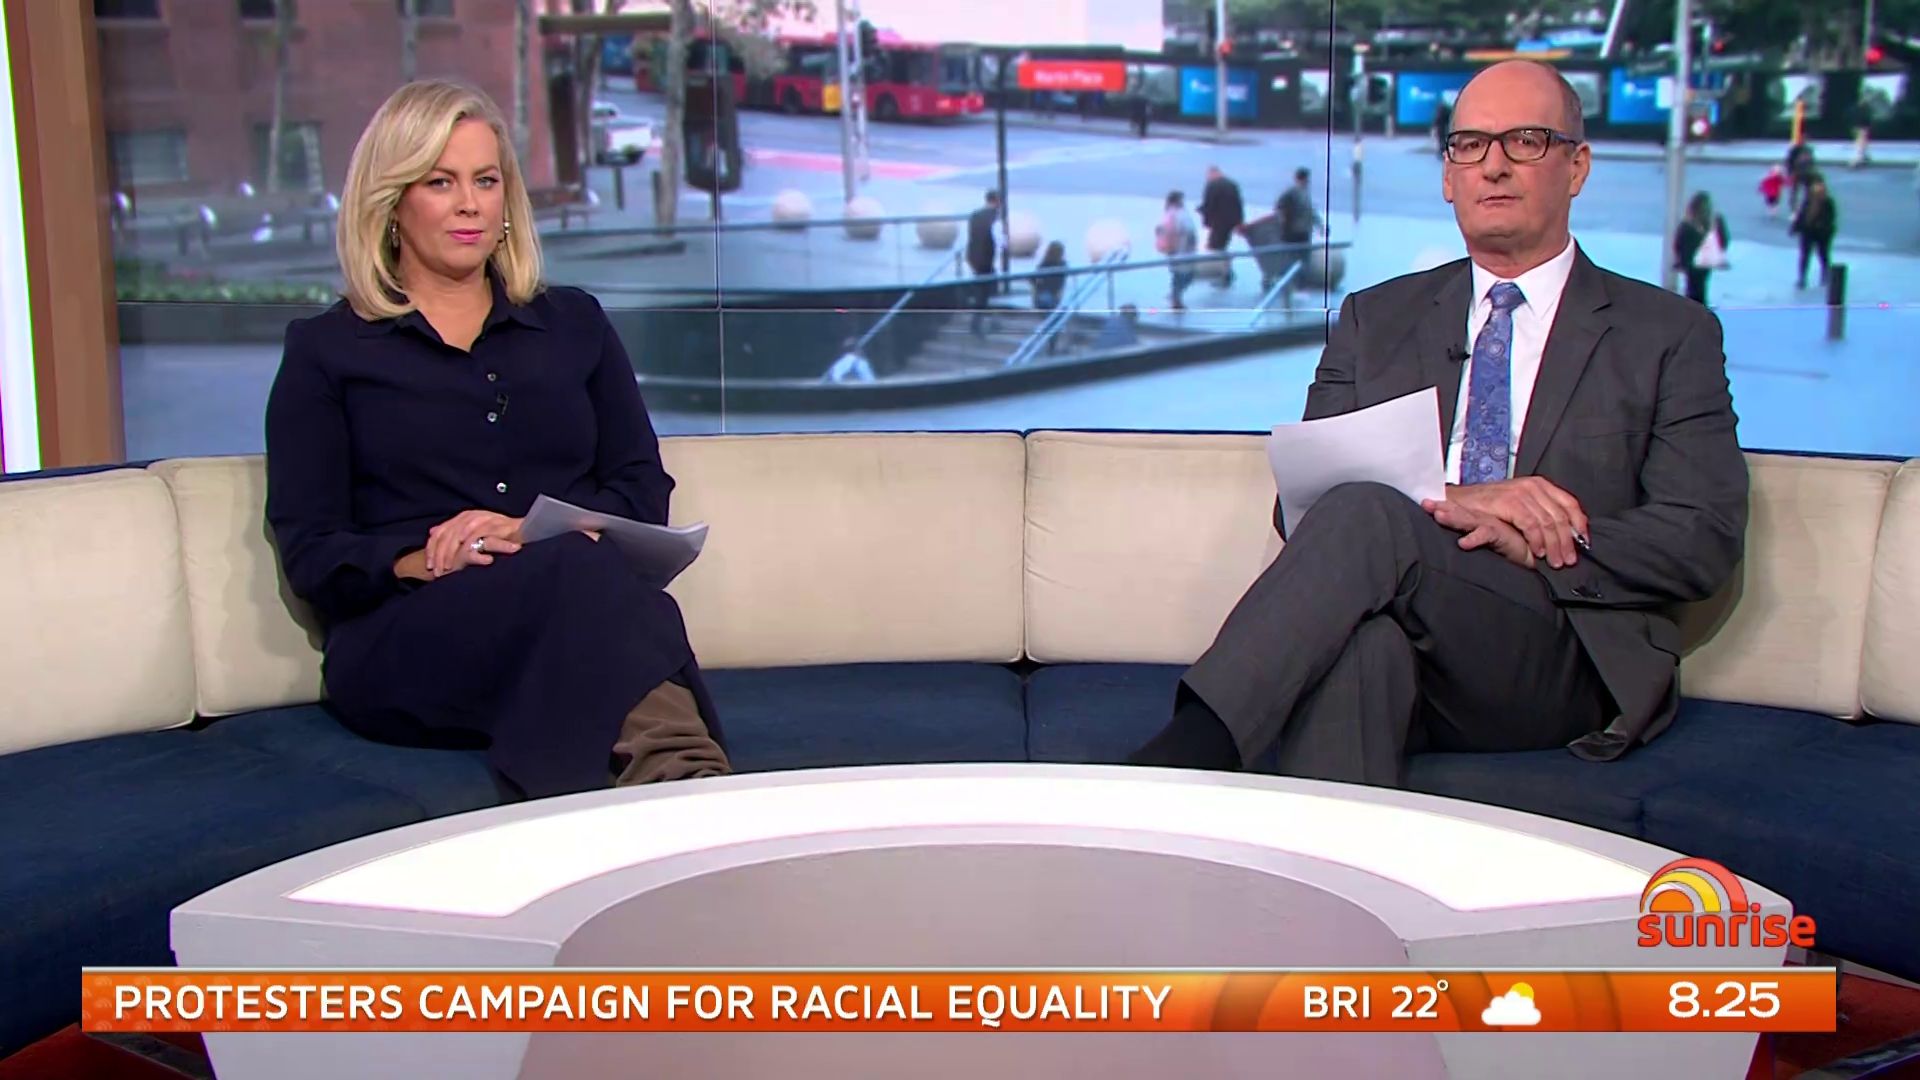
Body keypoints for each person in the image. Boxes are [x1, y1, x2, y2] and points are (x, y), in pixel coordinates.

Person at [1129, 60, 1748, 786]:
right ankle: (1317, 856)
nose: (1494, 166)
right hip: (1410, 636)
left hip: (1557, 647)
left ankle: (1175, 766)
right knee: (1364, 648)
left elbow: (1702, 537)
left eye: (1525, 141)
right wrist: (1464, 499)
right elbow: (1302, 507)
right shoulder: (1374, 319)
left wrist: (1538, 540)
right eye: (1469, 145)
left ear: (1577, 166)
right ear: (1449, 177)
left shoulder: (1667, 333)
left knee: (1367, 513)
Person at [264, 80, 730, 800]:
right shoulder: (327, 352)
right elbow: (313, 550)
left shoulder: (574, 324)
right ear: (392, 203)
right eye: (440, 182)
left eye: (486, 181)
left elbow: (641, 487)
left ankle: (666, 790)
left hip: (570, 609)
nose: (470, 205)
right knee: (584, 577)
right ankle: (686, 781)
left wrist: (529, 531)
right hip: (411, 636)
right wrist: (428, 557)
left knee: (573, 566)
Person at [1673, 191, 1730, 305]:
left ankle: (1693, 307)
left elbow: (1678, 243)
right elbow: (1724, 240)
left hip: (1690, 262)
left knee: (1692, 286)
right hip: (1705, 261)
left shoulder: (1688, 223)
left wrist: (1681, 258)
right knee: (1701, 285)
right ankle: (1699, 306)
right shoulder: (1715, 221)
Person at [1198, 166, 1245, 287]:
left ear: (1212, 174)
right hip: (1231, 222)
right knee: (1222, 246)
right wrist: (1239, 222)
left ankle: (1223, 275)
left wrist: (1205, 219)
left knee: (1214, 247)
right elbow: (1238, 204)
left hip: (1218, 222)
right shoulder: (1232, 184)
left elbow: (1209, 204)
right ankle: (1226, 273)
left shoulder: (1212, 185)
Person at [1790, 176, 1837, 290]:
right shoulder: (1808, 201)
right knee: (1805, 255)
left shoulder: (1828, 202)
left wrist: (1822, 226)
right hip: (1808, 232)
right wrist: (1795, 227)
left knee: (1823, 254)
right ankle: (1802, 278)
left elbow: (1830, 218)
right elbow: (1801, 215)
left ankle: (1825, 275)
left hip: (1822, 234)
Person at [1155, 190, 1199, 311]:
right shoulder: (1179, 214)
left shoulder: (1168, 213)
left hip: (1173, 250)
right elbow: (1188, 231)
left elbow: (1159, 230)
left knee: (1177, 275)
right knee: (1186, 275)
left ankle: (1175, 298)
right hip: (1183, 250)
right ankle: (1176, 298)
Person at [966, 189, 1002, 336]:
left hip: (973, 257)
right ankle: (977, 323)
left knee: (984, 289)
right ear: (997, 201)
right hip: (986, 259)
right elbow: (1000, 241)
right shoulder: (995, 217)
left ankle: (989, 320)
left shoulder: (975, 215)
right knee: (985, 291)